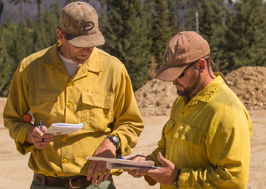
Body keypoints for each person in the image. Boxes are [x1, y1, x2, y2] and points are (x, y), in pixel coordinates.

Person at [3, 2, 144, 189]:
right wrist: (30, 134)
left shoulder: (114, 69)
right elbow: (13, 119)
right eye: (80, 44)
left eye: (92, 43)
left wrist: (113, 141)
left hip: (98, 185)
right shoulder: (30, 69)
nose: (87, 50)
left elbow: (131, 123)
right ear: (60, 35)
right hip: (46, 184)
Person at [126, 31, 253, 189]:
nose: (173, 80)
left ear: (201, 65)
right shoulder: (182, 100)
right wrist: (149, 163)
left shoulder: (226, 111)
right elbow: (168, 150)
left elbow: (234, 178)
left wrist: (178, 178)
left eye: (179, 74)